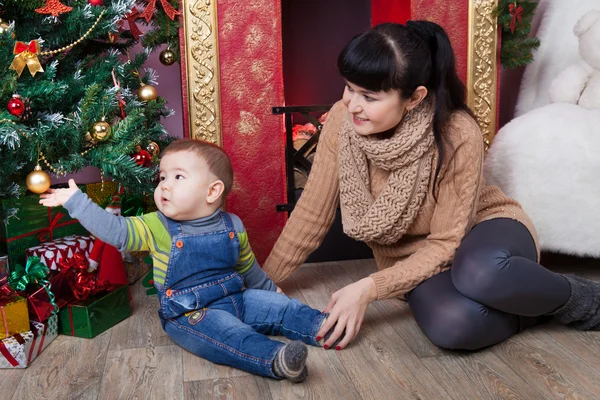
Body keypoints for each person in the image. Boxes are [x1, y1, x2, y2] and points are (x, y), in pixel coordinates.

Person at [262, 21, 600, 351]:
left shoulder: (456, 132)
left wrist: (367, 288)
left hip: (484, 230)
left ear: (414, 97)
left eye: (369, 96)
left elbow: (446, 242)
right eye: (349, 87)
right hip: (414, 259)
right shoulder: (341, 120)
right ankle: (533, 307)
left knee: (481, 274)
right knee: (454, 326)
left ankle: (583, 299)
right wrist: (262, 283)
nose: (352, 104)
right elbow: (312, 212)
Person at [39, 138, 327, 382]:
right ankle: (277, 360)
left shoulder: (232, 224)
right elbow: (119, 233)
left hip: (237, 297)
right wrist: (77, 202)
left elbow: (247, 266)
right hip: (190, 313)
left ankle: (324, 327)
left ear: (212, 191)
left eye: (177, 177)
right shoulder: (157, 226)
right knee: (229, 335)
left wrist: (269, 289)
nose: (164, 185)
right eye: (162, 177)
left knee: (282, 307)